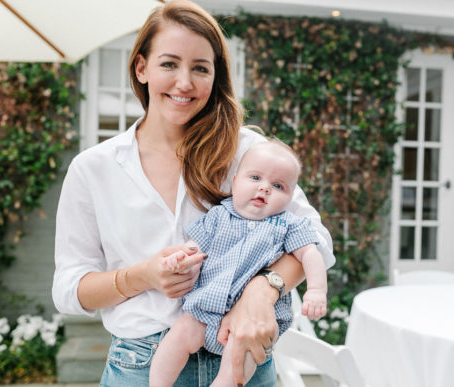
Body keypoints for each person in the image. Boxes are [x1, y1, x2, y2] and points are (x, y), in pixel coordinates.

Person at [52, 0, 335, 385]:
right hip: (142, 365)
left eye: (200, 68)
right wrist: (144, 276)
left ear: (214, 77)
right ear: (142, 67)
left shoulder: (246, 153)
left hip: (243, 357)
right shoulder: (94, 168)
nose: (184, 83)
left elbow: (316, 241)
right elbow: (69, 290)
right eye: (169, 64)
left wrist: (262, 289)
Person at [149, 140, 328, 387]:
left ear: (289, 198)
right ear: (235, 182)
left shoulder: (288, 225)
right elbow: (194, 248)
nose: (264, 188)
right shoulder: (218, 215)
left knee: (239, 362)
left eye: (278, 186)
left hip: (252, 323)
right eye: (255, 178)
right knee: (178, 335)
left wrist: (317, 291)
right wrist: (179, 259)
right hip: (205, 309)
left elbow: (310, 253)